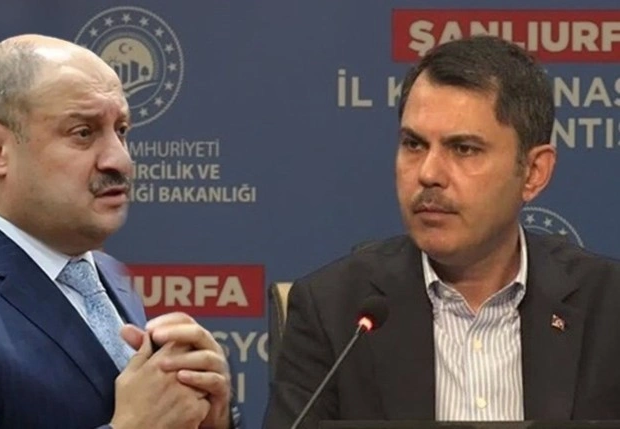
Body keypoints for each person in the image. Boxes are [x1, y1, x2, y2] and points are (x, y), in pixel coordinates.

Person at [264, 35, 620, 427]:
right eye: (414, 145)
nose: (429, 173)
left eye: (464, 149)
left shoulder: (609, 309)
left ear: (534, 172)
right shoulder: (334, 312)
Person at [0, 34, 239, 429]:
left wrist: (211, 419)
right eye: (83, 132)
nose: (120, 160)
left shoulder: (108, 276)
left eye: (121, 130)